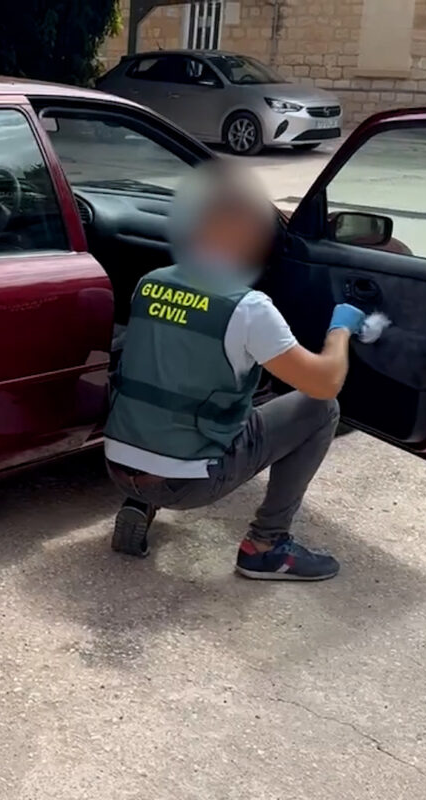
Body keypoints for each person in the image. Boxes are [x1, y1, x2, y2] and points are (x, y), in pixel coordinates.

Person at [105, 160, 374, 581]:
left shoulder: (149, 282)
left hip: (117, 467)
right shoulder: (248, 308)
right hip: (186, 485)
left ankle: (139, 502)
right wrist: (340, 329)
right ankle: (266, 546)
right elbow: (324, 381)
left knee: (186, 385)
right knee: (321, 409)